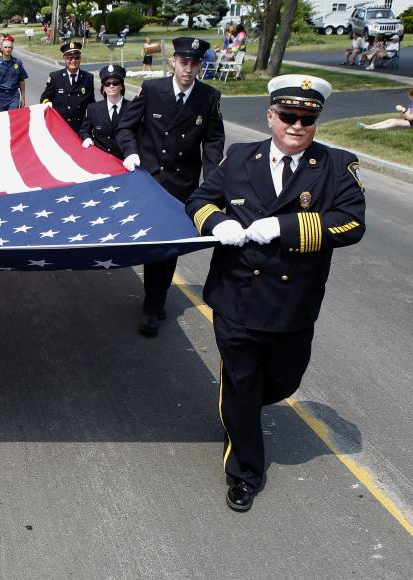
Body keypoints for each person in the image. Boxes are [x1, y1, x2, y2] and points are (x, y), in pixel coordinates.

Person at [185, 75, 365, 511]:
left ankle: (239, 411)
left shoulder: (337, 165)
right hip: (238, 297)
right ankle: (245, 471)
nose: (297, 125)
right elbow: (199, 199)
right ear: (271, 117)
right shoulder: (239, 156)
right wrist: (217, 222)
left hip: (292, 304)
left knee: (282, 380)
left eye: (307, 118)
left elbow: (352, 223)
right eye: (289, 116)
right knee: (242, 382)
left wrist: (284, 227)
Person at [115, 37, 225, 337]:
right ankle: (154, 302)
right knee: (154, 245)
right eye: (184, 62)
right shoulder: (153, 90)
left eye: (195, 64)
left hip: (182, 184)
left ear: (200, 65)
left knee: (170, 248)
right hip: (151, 180)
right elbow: (126, 126)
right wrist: (130, 151)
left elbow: (213, 146)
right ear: (173, 61)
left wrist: (213, 188)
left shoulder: (209, 97)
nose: (188, 70)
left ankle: (155, 301)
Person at [40, 41, 96, 134]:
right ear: (64, 59)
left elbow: (91, 102)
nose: (73, 61)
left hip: (81, 128)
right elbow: (44, 98)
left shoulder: (88, 78)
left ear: (80, 58)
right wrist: (49, 106)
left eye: (76, 57)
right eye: (69, 58)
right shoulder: (55, 77)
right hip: (60, 126)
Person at [79, 64, 128, 159]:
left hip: (124, 160)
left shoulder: (131, 107)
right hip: (101, 159)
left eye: (115, 83)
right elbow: (84, 130)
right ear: (104, 88)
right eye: (107, 84)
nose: (111, 86)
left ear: (121, 86)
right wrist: (87, 138)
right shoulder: (93, 108)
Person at [0, 38, 28, 111]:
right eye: (5, 47)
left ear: (12, 48)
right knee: (2, 118)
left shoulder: (18, 63)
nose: (7, 49)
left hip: (14, 95)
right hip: (0, 96)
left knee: (13, 115)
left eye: (9, 47)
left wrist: (23, 97)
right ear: (1, 48)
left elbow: (22, 81)